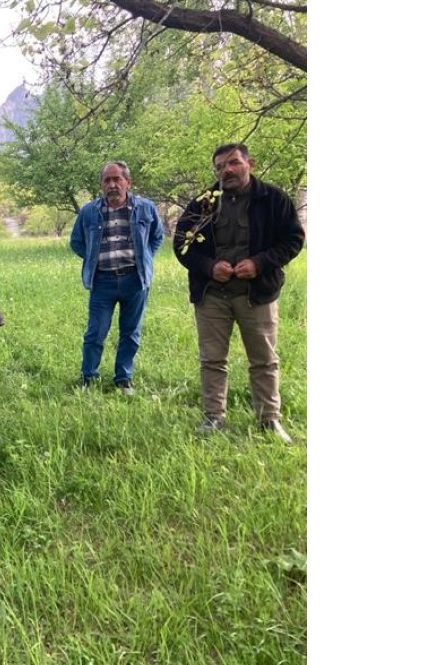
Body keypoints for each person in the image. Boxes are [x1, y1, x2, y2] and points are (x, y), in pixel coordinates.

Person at [173, 143, 305, 443]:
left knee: (264, 359)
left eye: (233, 163)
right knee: (212, 360)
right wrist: (209, 267)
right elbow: (182, 244)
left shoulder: (273, 200)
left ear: (250, 163)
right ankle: (213, 417)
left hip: (256, 294)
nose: (227, 170)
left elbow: (293, 239)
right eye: (220, 167)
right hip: (212, 295)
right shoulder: (203, 203)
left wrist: (260, 263)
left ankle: (269, 419)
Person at [69, 161, 165, 395]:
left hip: (135, 280)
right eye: (107, 180)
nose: (112, 184)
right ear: (101, 185)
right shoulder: (89, 211)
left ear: (128, 182)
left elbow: (157, 237)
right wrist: (94, 258)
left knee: (131, 332)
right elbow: (77, 242)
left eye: (117, 179)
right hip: (102, 281)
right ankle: (88, 377)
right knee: (95, 332)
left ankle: (123, 378)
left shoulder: (146, 208)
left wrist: (144, 259)